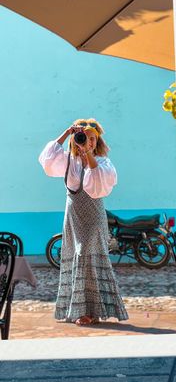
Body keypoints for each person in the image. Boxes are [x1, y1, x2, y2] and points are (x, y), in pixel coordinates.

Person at [39, 119, 128, 326]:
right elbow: (47, 160)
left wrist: (87, 153)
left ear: (97, 142)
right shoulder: (68, 159)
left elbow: (98, 185)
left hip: (93, 214)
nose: (87, 141)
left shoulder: (102, 162)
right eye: (83, 137)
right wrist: (67, 132)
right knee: (75, 254)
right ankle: (77, 309)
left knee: (87, 255)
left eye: (92, 139)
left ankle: (91, 312)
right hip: (72, 214)